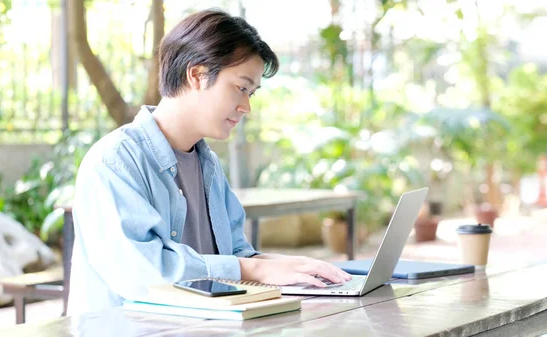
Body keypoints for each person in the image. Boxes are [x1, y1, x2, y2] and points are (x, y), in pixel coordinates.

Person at [68, 9, 351, 316]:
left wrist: (291, 268)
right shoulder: (114, 162)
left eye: (252, 93)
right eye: (242, 88)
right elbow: (145, 274)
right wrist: (254, 269)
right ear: (197, 75)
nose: (246, 107)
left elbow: (235, 255)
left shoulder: (208, 165)